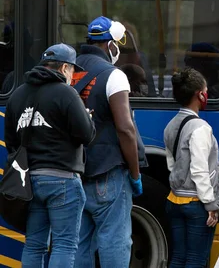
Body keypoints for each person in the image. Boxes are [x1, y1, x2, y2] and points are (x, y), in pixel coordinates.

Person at [5, 44, 95, 268]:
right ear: (65, 67)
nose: (73, 77)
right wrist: (86, 116)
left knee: (34, 244)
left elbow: (11, 143)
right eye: (73, 71)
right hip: (63, 180)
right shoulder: (66, 93)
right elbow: (86, 135)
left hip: (30, 183)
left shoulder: (17, 95)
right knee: (64, 244)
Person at [72, 16, 148, 268]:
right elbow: (125, 129)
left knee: (78, 242)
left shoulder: (68, 70)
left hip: (72, 172)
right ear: (110, 45)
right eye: (118, 45)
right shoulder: (114, 76)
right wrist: (135, 175)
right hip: (107, 174)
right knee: (114, 241)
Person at [164, 68, 219, 268]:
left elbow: (172, 165)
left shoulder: (170, 125)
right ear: (200, 95)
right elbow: (200, 171)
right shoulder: (201, 128)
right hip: (197, 204)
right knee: (196, 260)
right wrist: (211, 205)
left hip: (175, 200)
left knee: (178, 257)